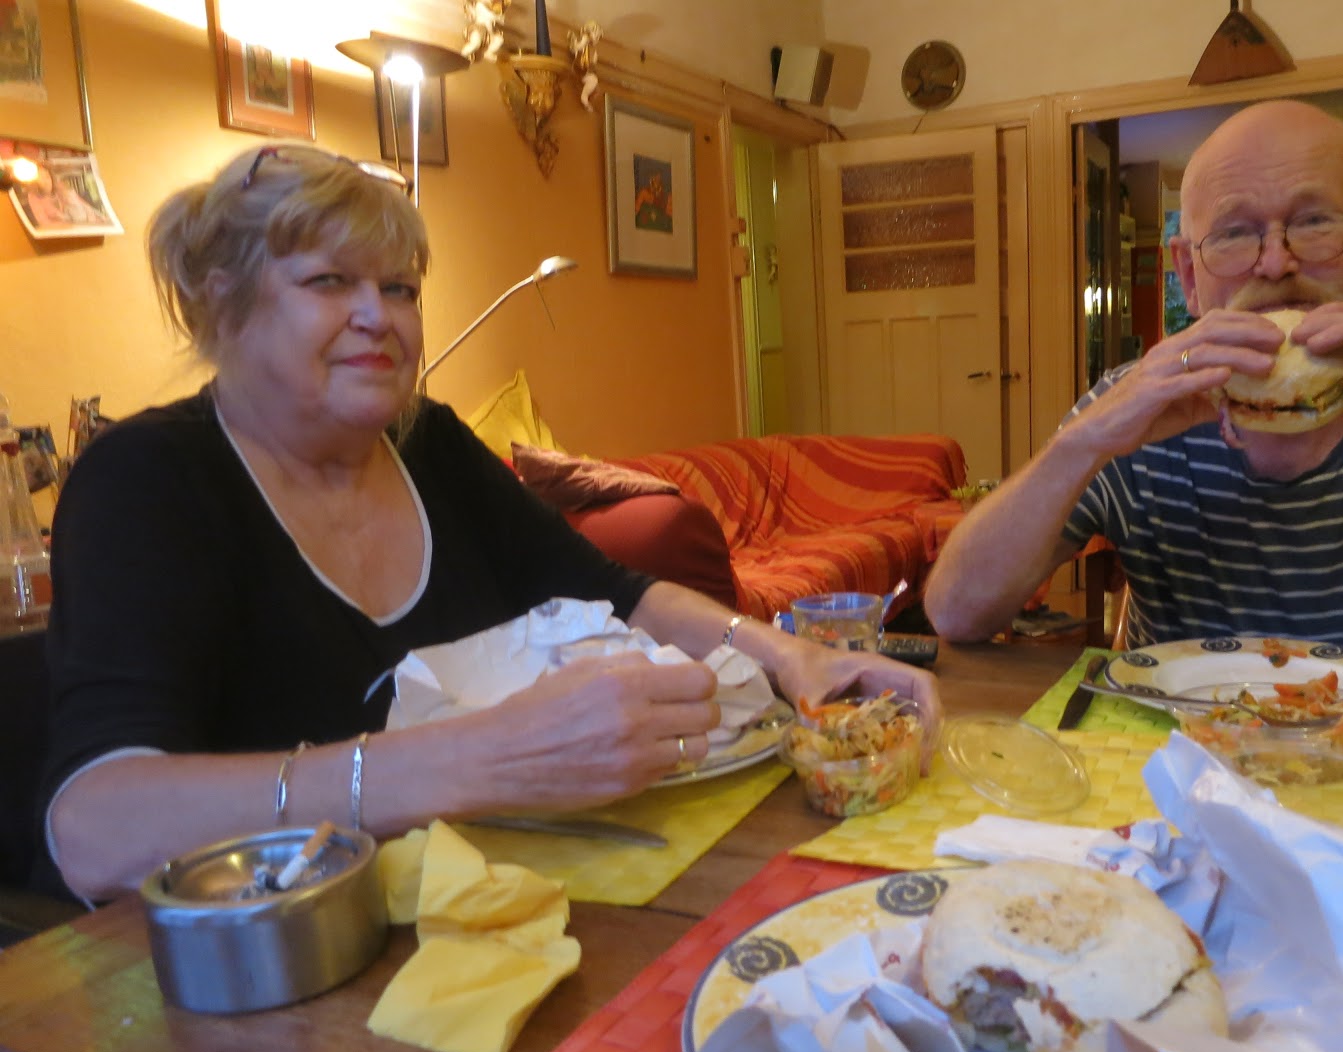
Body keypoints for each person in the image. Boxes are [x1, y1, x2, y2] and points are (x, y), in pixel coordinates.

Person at [43, 145, 940, 901]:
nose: (379, 316)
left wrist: (788, 656)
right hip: (275, 968)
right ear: (220, 300)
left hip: (488, 902)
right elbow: (93, 828)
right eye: (329, 281)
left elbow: (616, 593)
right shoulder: (146, 479)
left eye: (400, 288)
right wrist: (483, 758)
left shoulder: (427, 442)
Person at [924, 100, 1343, 666]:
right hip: (1183, 763)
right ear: (1188, 276)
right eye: (1234, 234)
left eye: (1313, 222)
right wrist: (1081, 444)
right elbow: (956, 613)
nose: (1275, 263)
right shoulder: (1135, 403)